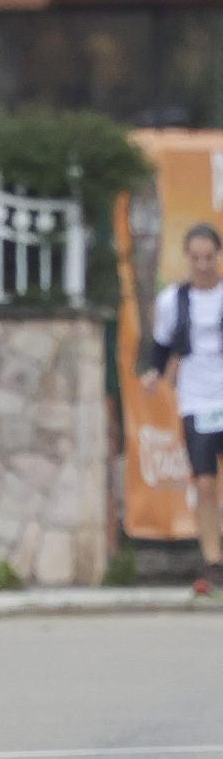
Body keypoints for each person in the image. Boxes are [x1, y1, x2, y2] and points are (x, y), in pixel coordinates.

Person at [141, 222, 223, 594]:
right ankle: (213, 561)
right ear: (187, 258)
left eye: (209, 257)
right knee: (204, 482)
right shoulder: (173, 300)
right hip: (198, 400)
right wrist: (153, 373)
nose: (203, 265)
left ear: (217, 257)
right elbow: (160, 345)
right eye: (196, 258)